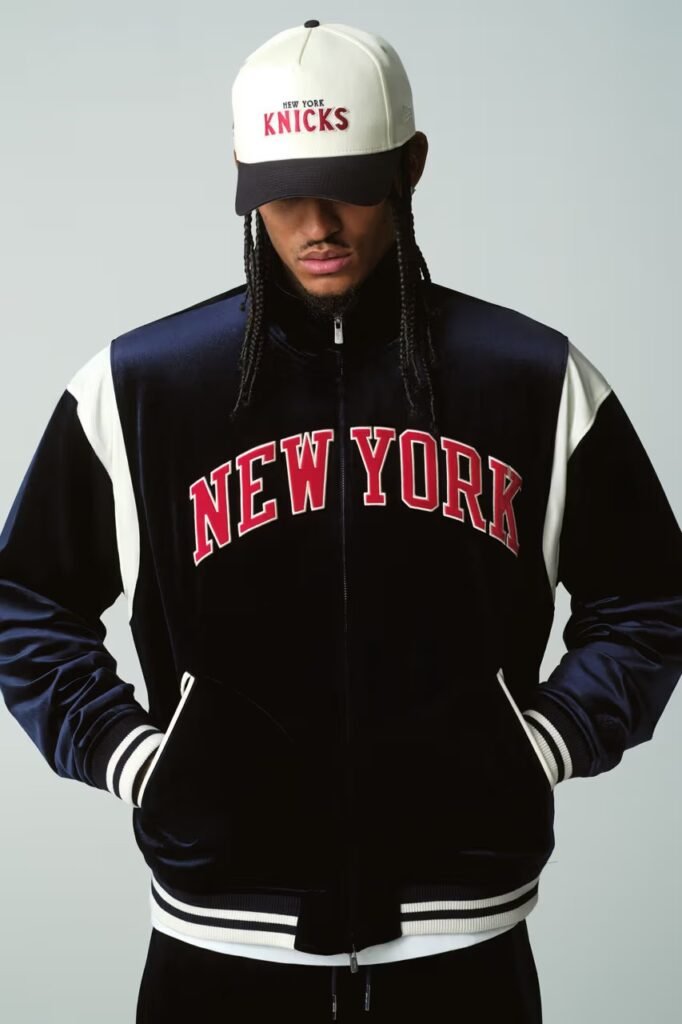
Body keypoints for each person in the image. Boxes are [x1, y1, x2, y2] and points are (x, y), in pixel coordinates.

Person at [1, 18, 681, 1023]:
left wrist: (544, 740)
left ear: (410, 166)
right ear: (244, 181)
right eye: (281, 193)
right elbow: (24, 602)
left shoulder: (533, 380)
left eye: (350, 186)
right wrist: (137, 757)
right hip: (218, 938)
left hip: (463, 940)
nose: (316, 223)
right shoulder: (138, 388)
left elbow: (651, 598)